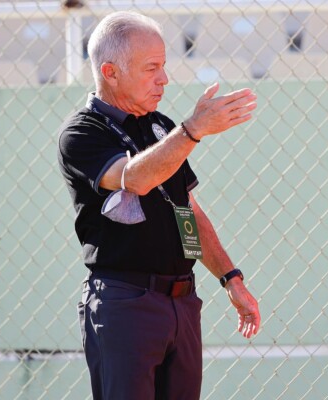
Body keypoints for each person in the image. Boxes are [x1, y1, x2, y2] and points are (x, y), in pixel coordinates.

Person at [57, 11, 260, 400]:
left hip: (182, 302)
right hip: (126, 303)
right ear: (110, 72)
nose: (164, 78)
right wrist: (193, 130)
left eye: (163, 66)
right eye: (152, 68)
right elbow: (134, 178)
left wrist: (231, 279)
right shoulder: (81, 132)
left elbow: (188, 211)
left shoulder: (162, 126)